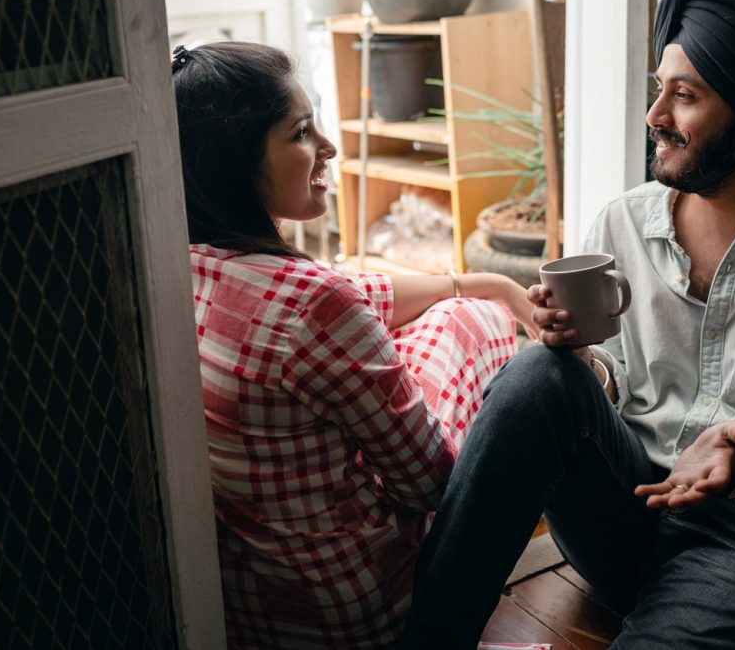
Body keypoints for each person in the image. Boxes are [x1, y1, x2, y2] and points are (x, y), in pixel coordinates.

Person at [400, 0, 735, 649]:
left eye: (685, 95)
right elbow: (607, 371)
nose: (654, 114)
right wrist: (578, 358)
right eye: (659, 87)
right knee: (535, 376)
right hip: (623, 504)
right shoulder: (623, 221)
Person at [171, 40, 535, 647]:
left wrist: (486, 278)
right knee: (466, 322)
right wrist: (480, 304)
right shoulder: (311, 303)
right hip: (361, 611)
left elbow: (355, 289)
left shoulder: (184, 266)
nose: (328, 148)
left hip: (255, 613)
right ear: (238, 159)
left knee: (455, 304)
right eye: (301, 132)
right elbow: (429, 484)